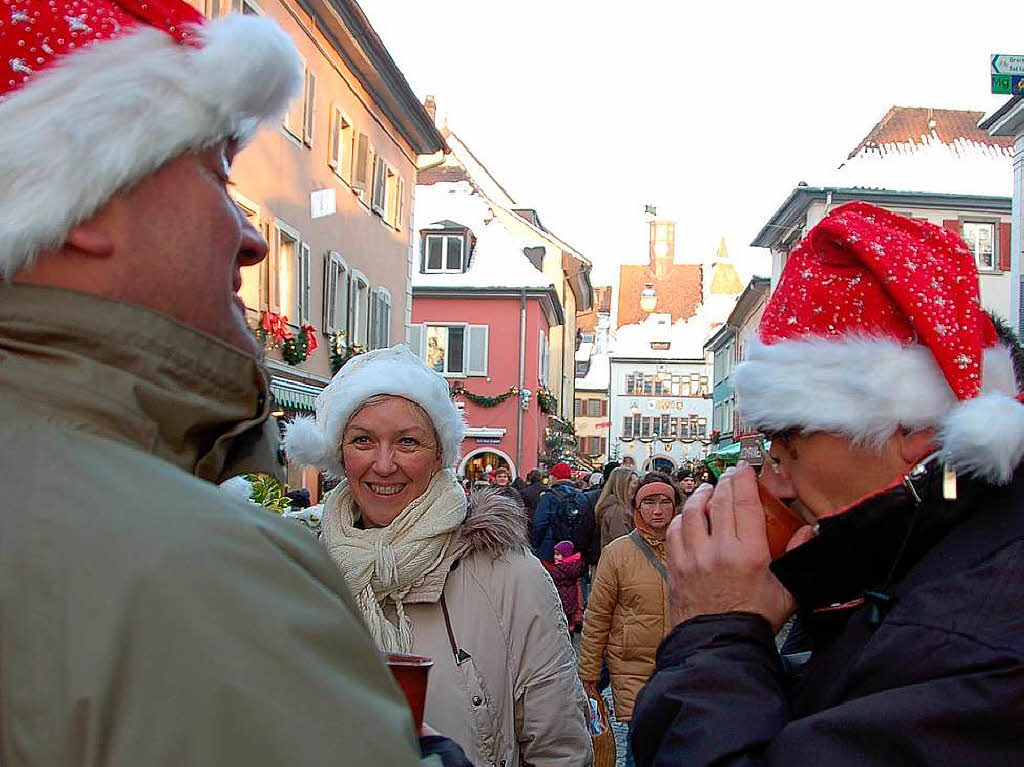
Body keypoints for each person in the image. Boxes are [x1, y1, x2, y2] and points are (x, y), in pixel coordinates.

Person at [0, 1, 467, 764]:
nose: (250, 236)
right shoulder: (197, 571)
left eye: (407, 440)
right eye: (218, 175)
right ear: (86, 194)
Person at [632, 202, 1024, 766]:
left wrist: (715, 638)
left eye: (788, 444)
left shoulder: (976, 640)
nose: (776, 480)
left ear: (914, 435)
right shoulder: (927, 570)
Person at [284, 346, 592, 767]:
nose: (384, 464)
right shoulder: (301, 575)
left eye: (407, 442)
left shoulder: (510, 577)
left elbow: (560, 752)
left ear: (438, 456)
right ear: (340, 453)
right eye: (363, 440)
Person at [578, 472, 681, 767]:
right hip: (634, 668)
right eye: (649, 502)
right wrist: (589, 677)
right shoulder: (617, 553)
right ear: (636, 506)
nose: (658, 510)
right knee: (641, 748)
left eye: (665, 502)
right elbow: (597, 618)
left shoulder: (690, 547)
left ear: (675, 506)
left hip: (681, 668)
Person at [532, 461, 589, 562]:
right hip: (574, 550)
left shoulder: (549, 496)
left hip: (550, 549)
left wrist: (536, 545)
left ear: (555, 477)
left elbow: (539, 524)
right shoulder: (581, 496)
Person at [545, 540, 586, 634]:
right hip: (572, 599)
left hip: (562, 598)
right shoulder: (575, 567)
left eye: (558, 554)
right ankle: (572, 627)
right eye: (555, 554)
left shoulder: (558, 570)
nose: (555, 557)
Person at [595, 466, 639, 549]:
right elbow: (624, 546)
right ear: (623, 486)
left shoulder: (617, 508)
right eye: (634, 484)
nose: (636, 488)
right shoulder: (617, 512)